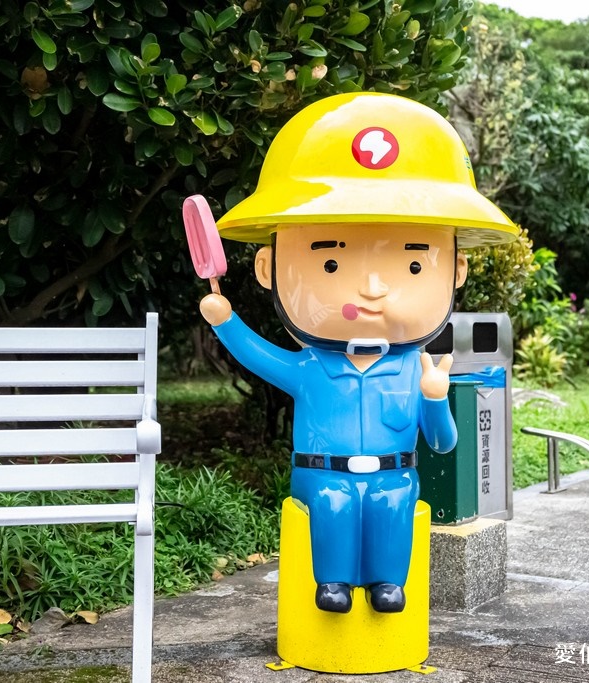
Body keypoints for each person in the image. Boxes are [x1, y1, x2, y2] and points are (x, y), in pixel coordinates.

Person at [198, 92, 518, 614]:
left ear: (455, 272)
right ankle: (334, 581)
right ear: (266, 269)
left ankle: (390, 582)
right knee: (332, 505)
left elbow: (441, 443)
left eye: (415, 267)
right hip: (323, 473)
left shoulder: (413, 369)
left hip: (395, 472)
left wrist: (435, 397)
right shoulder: (310, 369)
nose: (372, 288)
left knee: (395, 504)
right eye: (330, 265)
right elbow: (258, 356)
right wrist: (225, 320)